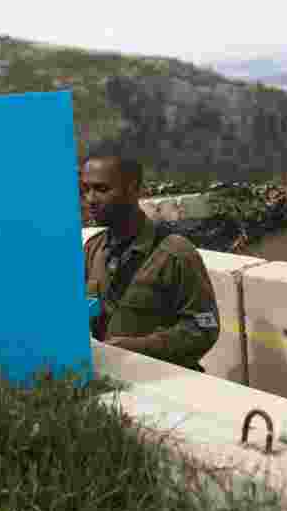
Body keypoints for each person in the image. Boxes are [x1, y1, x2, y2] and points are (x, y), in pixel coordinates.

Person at [81, 149, 220, 372]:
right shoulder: (92, 250)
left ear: (134, 189)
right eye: (85, 189)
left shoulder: (175, 253)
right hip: (115, 380)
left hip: (163, 382)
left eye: (102, 189)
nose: (90, 199)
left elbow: (203, 329)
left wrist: (138, 348)